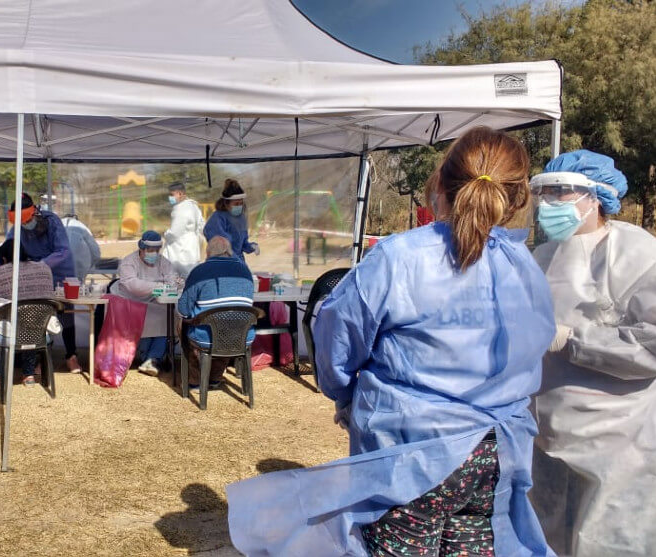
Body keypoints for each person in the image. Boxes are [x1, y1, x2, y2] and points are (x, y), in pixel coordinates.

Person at [226, 127, 556, 556]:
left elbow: (337, 336)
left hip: (410, 458)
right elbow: (530, 350)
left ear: (440, 184)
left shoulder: (400, 256)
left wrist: (344, 395)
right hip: (493, 454)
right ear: (518, 197)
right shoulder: (522, 263)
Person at [527, 151, 656, 556]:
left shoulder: (635, 252)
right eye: (544, 193)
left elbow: (652, 343)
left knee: (608, 542)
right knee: (546, 539)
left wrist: (572, 339)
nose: (549, 203)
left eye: (561, 192)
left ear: (595, 196)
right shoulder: (541, 257)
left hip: (618, 438)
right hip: (545, 431)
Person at [6, 193, 82, 373]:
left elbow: (63, 251)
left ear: (35, 213)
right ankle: (40, 359)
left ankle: (71, 356)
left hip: (60, 272)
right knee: (39, 314)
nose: (24, 225)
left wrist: (41, 265)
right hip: (34, 274)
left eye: (26, 221)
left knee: (65, 315)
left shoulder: (52, 221)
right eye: (21, 223)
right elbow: (9, 246)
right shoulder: (17, 226)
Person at [177, 236, 254, 390]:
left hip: (207, 336)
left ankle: (194, 381)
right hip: (241, 336)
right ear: (229, 252)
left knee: (183, 324)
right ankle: (215, 378)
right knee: (227, 325)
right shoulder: (245, 270)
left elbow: (183, 309)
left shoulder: (200, 271)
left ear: (208, 253)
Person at [0, 239, 55, 386]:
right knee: (31, 323)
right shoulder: (45, 268)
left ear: (3, 258)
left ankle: (2, 373)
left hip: (9, 333)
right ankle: (28, 374)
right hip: (40, 332)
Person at [110, 230, 179, 377]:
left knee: (169, 317)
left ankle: (152, 359)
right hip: (129, 301)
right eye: (150, 250)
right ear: (141, 249)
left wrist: (163, 285)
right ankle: (148, 358)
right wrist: (158, 285)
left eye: (156, 250)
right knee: (146, 318)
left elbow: (172, 280)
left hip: (154, 301)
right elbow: (132, 285)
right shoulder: (129, 262)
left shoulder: (163, 262)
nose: (153, 253)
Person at [202, 179, 258, 265]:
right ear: (226, 203)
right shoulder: (218, 218)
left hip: (238, 262)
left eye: (241, 203)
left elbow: (242, 243)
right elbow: (221, 246)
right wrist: (234, 259)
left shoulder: (241, 218)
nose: (239, 206)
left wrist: (251, 247)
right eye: (236, 204)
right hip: (221, 262)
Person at [162, 182, 205, 277]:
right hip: (192, 244)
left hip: (180, 247)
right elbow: (202, 224)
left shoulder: (181, 209)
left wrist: (165, 234)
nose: (170, 198)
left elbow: (175, 233)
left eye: (171, 195)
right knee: (191, 273)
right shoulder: (193, 206)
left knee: (178, 275)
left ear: (180, 194)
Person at [62, 214, 101, 283]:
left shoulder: (56, 224)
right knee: (77, 289)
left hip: (58, 263)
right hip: (79, 264)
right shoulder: (82, 227)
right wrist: (92, 265)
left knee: (58, 289)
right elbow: (94, 251)